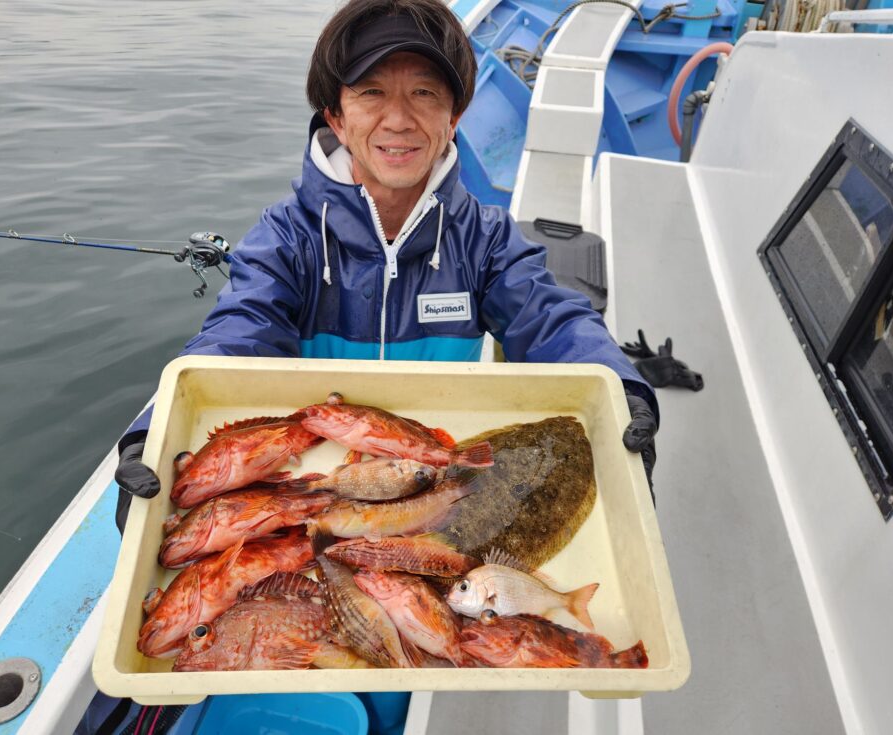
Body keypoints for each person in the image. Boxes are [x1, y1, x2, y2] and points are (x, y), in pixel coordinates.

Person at [114, 0, 658, 531]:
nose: (398, 119)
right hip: (312, 476)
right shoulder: (286, 239)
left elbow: (551, 320)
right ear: (336, 116)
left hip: (437, 478)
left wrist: (622, 392)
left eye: (424, 92)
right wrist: (155, 433)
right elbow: (234, 339)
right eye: (371, 92)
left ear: (454, 116)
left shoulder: (486, 238)